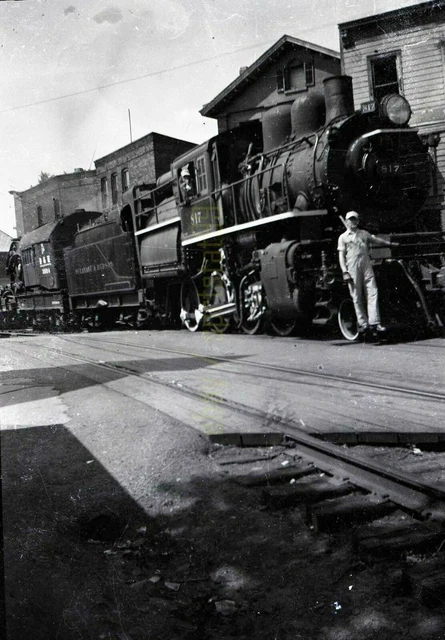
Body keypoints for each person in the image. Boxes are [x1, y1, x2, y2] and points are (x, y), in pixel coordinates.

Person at [337, 211, 399, 335]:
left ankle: (374, 322)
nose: (352, 222)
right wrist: (345, 272)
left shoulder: (364, 234)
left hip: (366, 265)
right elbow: (341, 256)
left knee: (372, 291)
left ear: (358, 221)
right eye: (350, 219)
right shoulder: (343, 237)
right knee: (356, 296)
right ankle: (363, 323)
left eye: (354, 219)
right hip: (352, 268)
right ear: (346, 220)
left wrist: (390, 244)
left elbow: (376, 240)